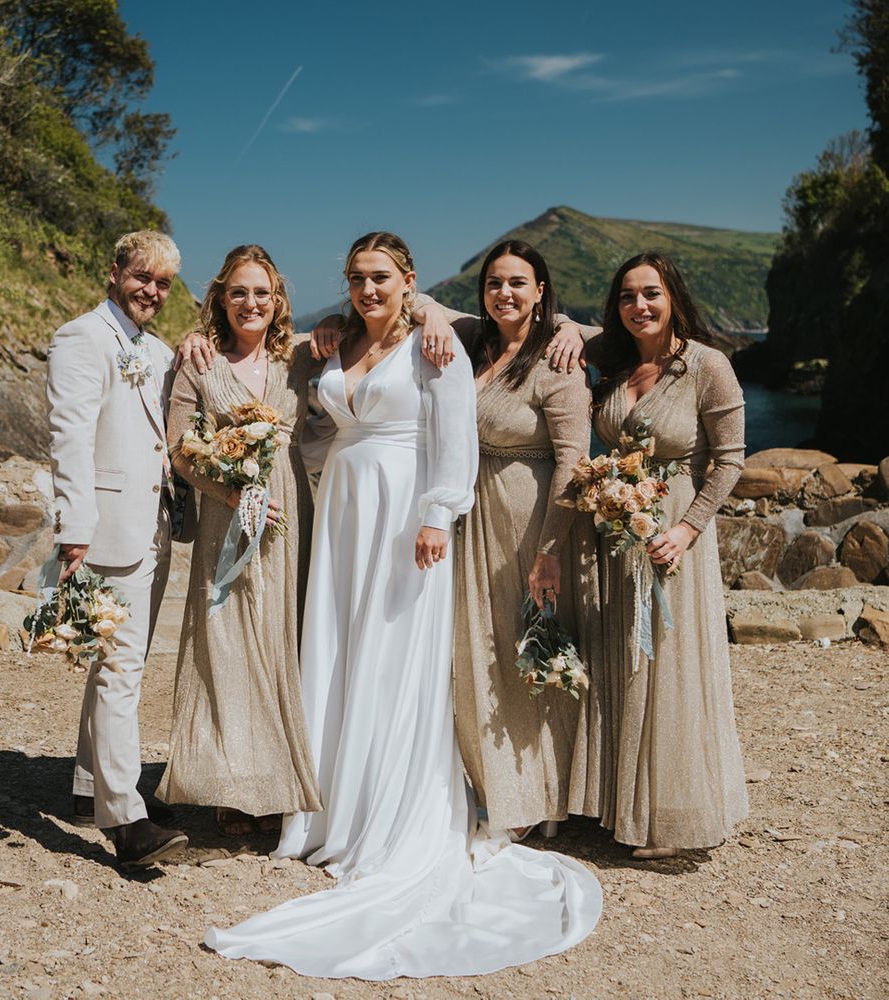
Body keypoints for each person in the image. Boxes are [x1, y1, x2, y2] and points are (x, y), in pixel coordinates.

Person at [203, 232, 602, 980]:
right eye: (355, 277)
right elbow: (316, 430)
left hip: (405, 517)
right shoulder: (335, 340)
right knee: (339, 649)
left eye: (380, 277)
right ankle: (324, 811)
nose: (366, 288)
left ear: (409, 281)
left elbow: (456, 438)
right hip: (344, 517)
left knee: (393, 657)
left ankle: (386, 820)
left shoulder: (436, 345)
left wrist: (438, 512)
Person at [585, 252, 749, 858]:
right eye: (627, 296)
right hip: (614, 533)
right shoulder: (610, 361)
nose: (639, 306)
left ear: (673, 295)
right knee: (624, 658)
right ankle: (625, 802)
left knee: (671, 663)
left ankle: (675, 814)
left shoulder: (708, 366)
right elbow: (536, 323)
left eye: (650, 293)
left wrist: (686, 529)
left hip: (673, 531)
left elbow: (730, 460)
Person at [155, 246, 322, 833]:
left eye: (262, 293)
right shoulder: (198, 363)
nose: (251, 303)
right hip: (228, 516)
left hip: (288, 514)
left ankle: (277, 782)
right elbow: (179, 449)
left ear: (277, 302)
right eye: (239, 292)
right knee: (224, 643)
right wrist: (230, 495)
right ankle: (228, 783)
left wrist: (427, 313)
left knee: (280, 639)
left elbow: (380, 320)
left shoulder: (298, 359)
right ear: (220, 299)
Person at [47, 230, 192, 869]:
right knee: (120, 669)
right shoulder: (82, 337)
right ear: (114, 273)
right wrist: (75, 527)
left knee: (113, 661)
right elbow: (70, 438)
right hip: (105, 526)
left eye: (162, 284)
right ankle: (125, 818)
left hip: (152, 525)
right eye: (142, 278)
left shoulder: (156, 350)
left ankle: (89, 784)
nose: (151, 292)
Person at [449, 241, 603, 840]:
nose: (504, 294)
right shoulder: (476, 345)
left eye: (518, 283)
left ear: (541, 291)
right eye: (493, 283)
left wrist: (550, 551)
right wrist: (329, 325)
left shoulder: (558, 361)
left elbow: (573, 460)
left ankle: (543, 795)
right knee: (480, 650)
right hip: (475, 517)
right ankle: (497, 786)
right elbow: (416, 303)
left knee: (533, 647)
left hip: (531, 518)